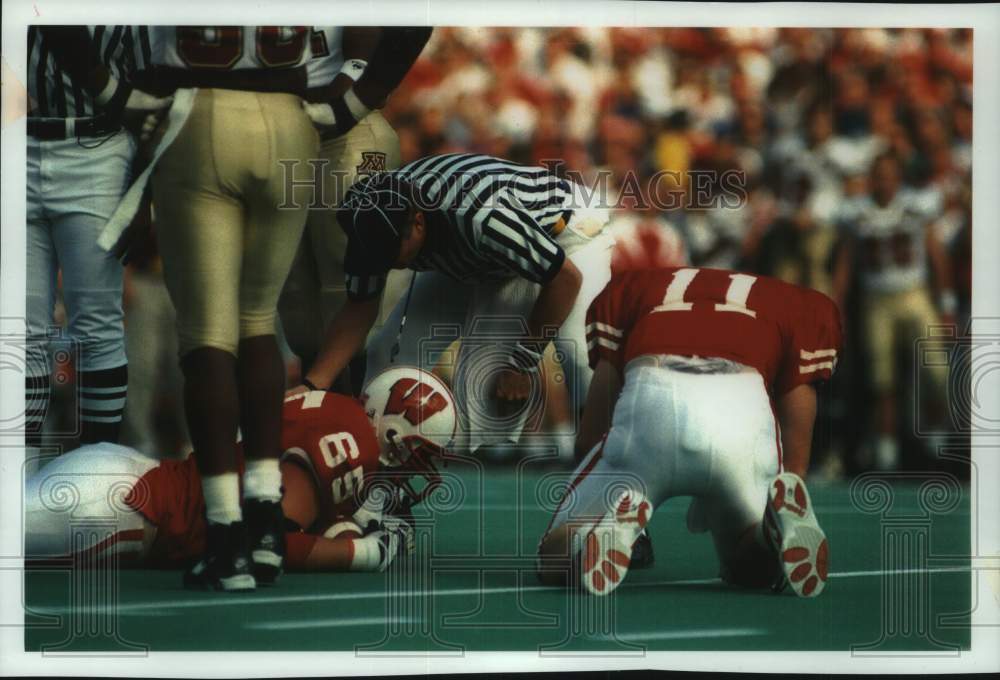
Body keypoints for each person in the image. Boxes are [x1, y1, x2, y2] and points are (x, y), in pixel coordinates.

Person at [131, 26, 321, 591]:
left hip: (203, 110)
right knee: (258, 319)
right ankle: (266, 522)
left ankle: (225, 535)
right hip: (292, 117)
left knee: (207, 337)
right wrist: (358, 94)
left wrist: (112, 96)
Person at [537, 266, 841, 597]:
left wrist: (601, 487)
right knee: (747, 569)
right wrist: (781, 478)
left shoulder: (636, 287)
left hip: (653, 394)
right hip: (741, 408)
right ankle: (768, 535)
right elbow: (797, 430)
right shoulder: (790, 302)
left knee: (553, 555)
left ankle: (591, 538)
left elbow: (594, 425)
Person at [294, 154, 616, 457]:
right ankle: (378, 475)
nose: (382, 261)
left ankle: (609, 464)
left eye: (389, 250)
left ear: (418, 223)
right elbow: (359, 307)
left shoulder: (480, 216)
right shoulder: (375, 223)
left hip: (566, 234)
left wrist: (523, 362)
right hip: (479, 253)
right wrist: (312, 386)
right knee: (387, 350)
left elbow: (564, 279)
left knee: (580, 356)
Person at [25, 367, 456, 577]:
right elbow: (267, 539)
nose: (410, 475)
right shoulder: (355, 441)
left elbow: (296, 506)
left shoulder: (340, 416)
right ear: (394, 432)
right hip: (125, 512)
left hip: (127, 481)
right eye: (416, 456)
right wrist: (365, 554)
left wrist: (353, 523)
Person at [24, 26, 170, 452]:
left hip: (97, 143)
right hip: (16, 139)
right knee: (21, 331)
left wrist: (143, 185)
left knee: (98, 328)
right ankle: (21, 474)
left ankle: (94, 469)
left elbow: (152, 84)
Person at [279, 27, 427, 394]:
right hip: (280, 131)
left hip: (348, 128)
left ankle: (365, 415)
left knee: (351, 273)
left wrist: (361, 85)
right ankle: (323, 419)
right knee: (293, 294)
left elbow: (414, 22)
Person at [832, 152, 955, 470]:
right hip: (876, 300)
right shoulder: (857, 212)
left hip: (913, 294)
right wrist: (837, 305)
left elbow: (936, 254)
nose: (884, 181)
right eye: (878, 175)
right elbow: (846, 264)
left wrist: (947, 302)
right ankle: (886, 452)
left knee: (936, 370)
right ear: (871, 178)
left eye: (889, 174)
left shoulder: (916, 207)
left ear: (898, 177)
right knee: (881, 378)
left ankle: (936, 438)